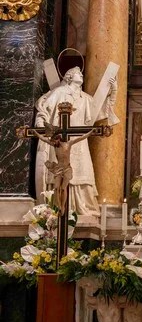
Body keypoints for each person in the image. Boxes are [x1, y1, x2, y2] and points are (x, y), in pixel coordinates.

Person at [34, 67, 117, 216]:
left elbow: (103, 112)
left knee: (81, 171)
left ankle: (80, 207)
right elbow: (43, 111)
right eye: (78, 73)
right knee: (60, 178)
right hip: (58, 141)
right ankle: (58, 209)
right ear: (69, 77)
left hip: (78, 143)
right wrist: (42, 128)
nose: (82, 75)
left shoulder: (85, 98)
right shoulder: (59, 92)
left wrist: (113, 91)